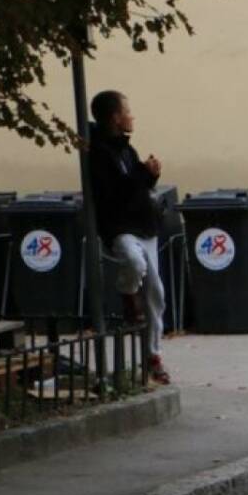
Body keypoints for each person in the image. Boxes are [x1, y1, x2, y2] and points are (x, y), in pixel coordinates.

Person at [87, 90, 170, 385]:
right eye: (128, 111)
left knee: (156, 293)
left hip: (144, 225)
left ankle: (153, 355)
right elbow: (116, 192)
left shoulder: (126, 150)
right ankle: (126, 294)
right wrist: (141, 176)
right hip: (120, 228)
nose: (132, 116)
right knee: (133, 263)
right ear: (115, 117)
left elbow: (134, 184)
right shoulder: (99, 153)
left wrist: (150, 175)